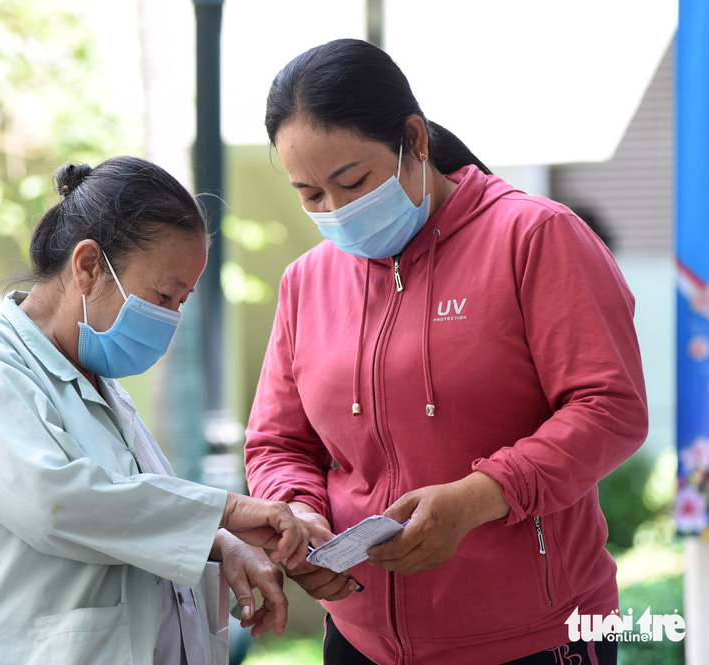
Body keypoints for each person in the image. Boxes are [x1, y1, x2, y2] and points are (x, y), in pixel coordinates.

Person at [243, 39, 647, 665]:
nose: (336, 211)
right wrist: (299, 515)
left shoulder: (534, 237)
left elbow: (609, 408)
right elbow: (279, 444)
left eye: (352, 181)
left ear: (414, 139)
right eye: (311, 194)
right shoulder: (306, 282)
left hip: (536, 638)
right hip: (358, 642)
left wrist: (479, 497)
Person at [0, 156, 332, 665]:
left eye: (182, 301)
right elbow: (54, 503)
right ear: (88, 265)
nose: (170, 317)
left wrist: (223, 543)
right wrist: (224, 511)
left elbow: (134, 515)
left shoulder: (104, 389)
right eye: (162, 294)